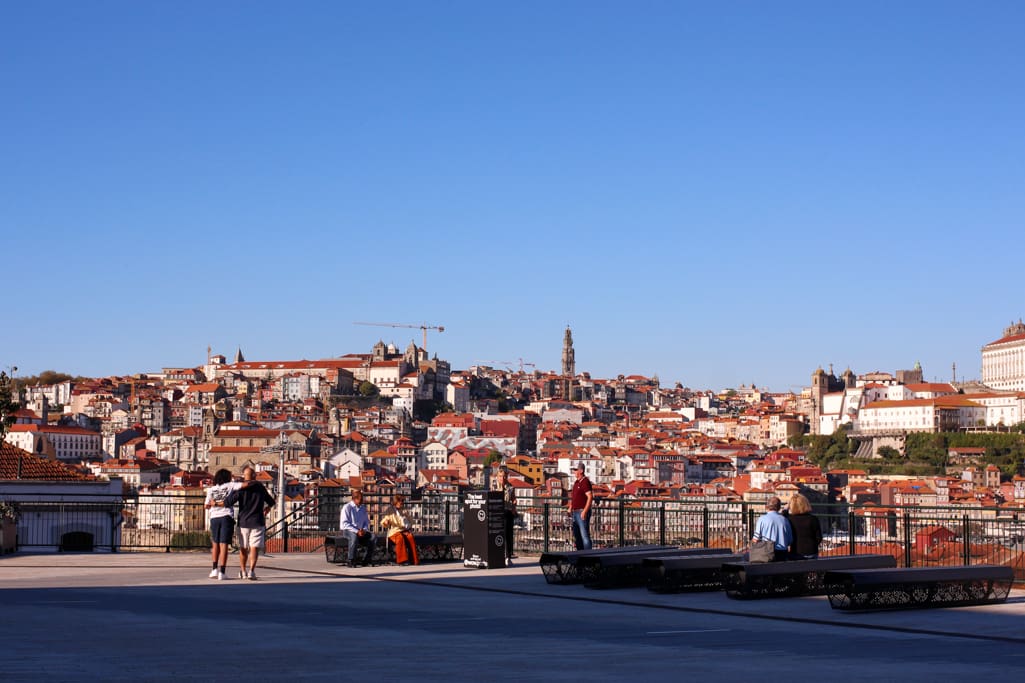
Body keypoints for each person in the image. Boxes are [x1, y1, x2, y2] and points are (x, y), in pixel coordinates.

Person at [223, 466, 276, 580]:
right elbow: (271, 501)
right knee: (254, 548)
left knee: (243, 548)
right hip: (258, 521)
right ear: (254, 476)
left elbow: (229, 502)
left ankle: (243, 571)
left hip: (243, 521)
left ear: (244, 476)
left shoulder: (241, 488)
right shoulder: (260, 487)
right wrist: (267, 509)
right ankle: (251, 571)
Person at [204, 469, 242, 580]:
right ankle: (222, 571)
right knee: (224, 544)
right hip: (226, 516)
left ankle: (214, 570)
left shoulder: (211, 489)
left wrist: (213, 503)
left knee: (215, 543)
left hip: (214, 517)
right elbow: (243, 485)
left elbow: (206, 506)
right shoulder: (230, 485)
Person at [340, 489, 375, 567]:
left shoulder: (363, 508)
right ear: (354, 499)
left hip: (361, 531)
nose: (362, 501)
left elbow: (366, 522)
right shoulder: (347, 507)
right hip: (348, 530)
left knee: (373, 537)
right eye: (360, 499)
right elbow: (344, 523)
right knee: (354, 537)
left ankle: (366, 560)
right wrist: (357, 531)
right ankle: (351, 560)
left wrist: (364, 530)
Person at [380, 494, 419, 566]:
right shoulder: (390, 510)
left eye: (402, 502)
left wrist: (408, 525)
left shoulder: (404, 510)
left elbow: (411, 520)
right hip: (394, 531)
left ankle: (414, 560)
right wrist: (386, 522)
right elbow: (384, 521)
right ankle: (402, 560)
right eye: (400, 502)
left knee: (410, 537)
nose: (401, 503)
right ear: (396, 502)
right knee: (400, 538)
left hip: (403, 530)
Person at [752, 496, 793, 561]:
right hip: (782, 554)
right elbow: (790, 540)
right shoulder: (785, 520)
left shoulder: (762, 519)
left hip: (766, 553)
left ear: (767, 507)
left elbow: (755, 540)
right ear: (779, 508)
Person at [786, 493, 823, 560]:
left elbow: (781, 516)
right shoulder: (813, 519)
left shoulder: (789, 519)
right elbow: (819, 538)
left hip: (796, 552)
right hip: (811, 551)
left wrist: (786, 509)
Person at [568, 462, 593, 551]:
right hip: (575, 512)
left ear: (581, 471)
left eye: (575, 470)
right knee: (577, 536)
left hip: (581, 512)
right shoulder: (576, 483)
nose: (574, 472)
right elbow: (574, 497)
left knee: (584, 535)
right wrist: (570, 507)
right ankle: (580, 554)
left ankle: (588, 555)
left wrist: (585, 511)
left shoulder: (585, 482)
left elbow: (590, 496)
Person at [496, 469, 517, 565]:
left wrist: (513, 507)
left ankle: (508, 556)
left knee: (508, 535)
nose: (502, 478)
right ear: (497, 477)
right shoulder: (494, 487)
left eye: (504, 476)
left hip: (508, 513)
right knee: (499, 535)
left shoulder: (510, 487)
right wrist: (499, 488)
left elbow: (513, 499)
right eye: (500, 476)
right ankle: (499, 555)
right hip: (497, 513)